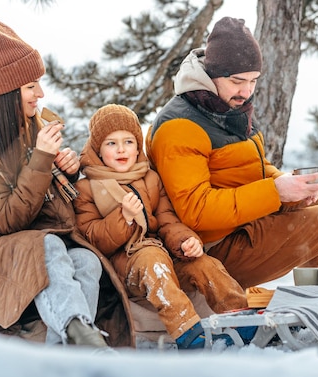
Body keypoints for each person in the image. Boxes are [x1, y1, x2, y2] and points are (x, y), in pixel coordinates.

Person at [145, 17, 318, 326]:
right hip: (210, 250)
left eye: (253, 80)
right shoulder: (180, 127)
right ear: (211, 75)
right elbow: (194, 211)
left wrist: (285, 182)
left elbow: (248, 167)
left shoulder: (224, 106)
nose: (247, 90)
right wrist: (276, 192)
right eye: (238, 81)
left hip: (241, 228)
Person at [0, 17, 126, 350]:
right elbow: (6, 219)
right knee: (48, 248)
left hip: (44, 243)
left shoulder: (31, 126)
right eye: (30, 86)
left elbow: (50, 207)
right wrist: (41, 160)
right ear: (8, 92)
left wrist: (64, 172)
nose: (40, 94)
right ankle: (89, 344)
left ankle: (68, 351)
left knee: (87, 261)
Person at [73, 104, 256, 349]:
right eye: (111, 143)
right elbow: (94, 239)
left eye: (128, 141)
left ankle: (242, 316)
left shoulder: (150, 178)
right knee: (152, 260)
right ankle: (187, 331)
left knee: (203, 264)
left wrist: (185, 241)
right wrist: (123, 217)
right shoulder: (87, 188)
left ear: (138, 146)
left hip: (164, 253)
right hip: (125, 264)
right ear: (98, 148)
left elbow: (168, 220)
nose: (121, 149)